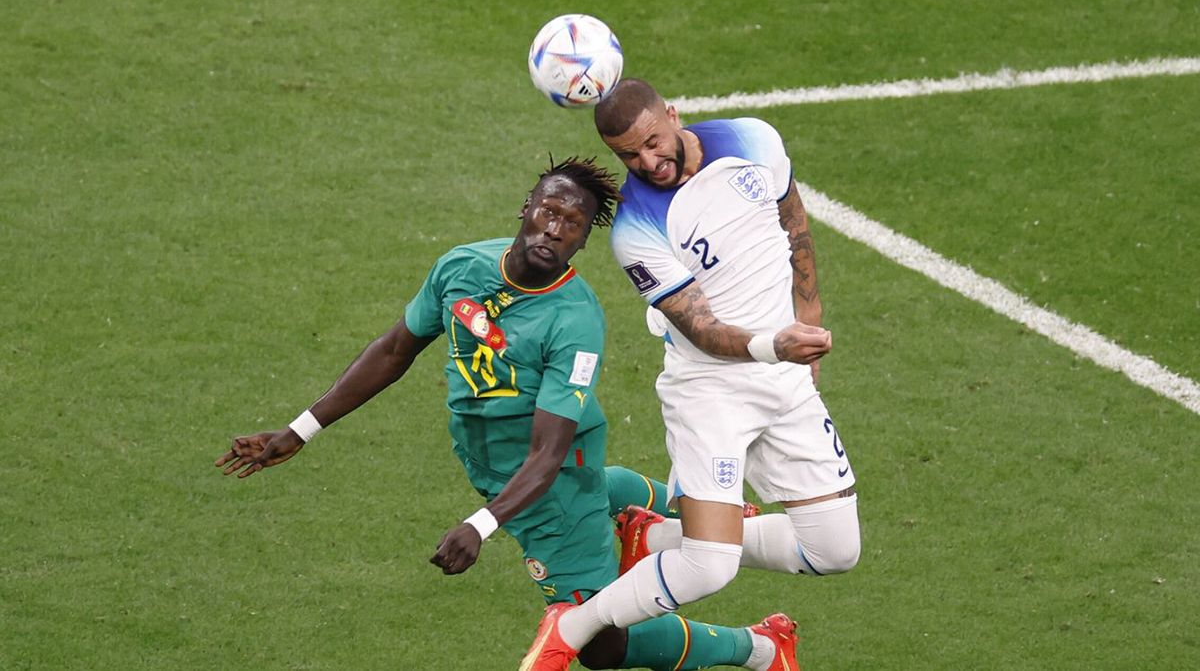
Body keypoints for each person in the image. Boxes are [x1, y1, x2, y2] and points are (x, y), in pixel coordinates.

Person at [214, 157, 799, 671]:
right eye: (548, 211)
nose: (554, 229)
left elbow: (546, 457)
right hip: (499, 462)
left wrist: (479, 525)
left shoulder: (574, 320)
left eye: (571, 225)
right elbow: (395, 349)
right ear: (527, 207)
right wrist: (300, 430)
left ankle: (760, 649)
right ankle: (666, 508)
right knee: (591, 494)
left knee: (598, 643)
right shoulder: (461, 266)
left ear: (581, 243)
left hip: (547, 480)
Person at [521, 79, 861, 669]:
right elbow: (702, 330)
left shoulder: (754, 138)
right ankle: (571, 627)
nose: (648, 162)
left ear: (674, 116)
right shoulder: (634, 231)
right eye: (630, 155)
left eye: (654, 142)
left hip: (783, 372)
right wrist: (773, 344)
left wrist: (808, 324)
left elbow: (795, 224)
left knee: (834, 550)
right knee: (710, 565)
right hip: (711, 389)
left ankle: (648, 539)